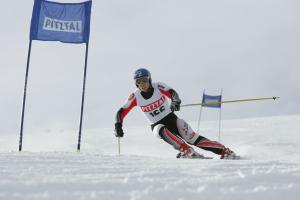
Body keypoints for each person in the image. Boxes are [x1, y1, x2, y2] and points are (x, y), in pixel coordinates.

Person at [114, 68, 237, 159]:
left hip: (172, 119)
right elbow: (121, 111)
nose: (142, 84)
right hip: (156, 125)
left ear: (149, 79)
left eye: (144, 80)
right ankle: (187, 151)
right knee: (159, 128)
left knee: (191, 138)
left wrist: (175, 101)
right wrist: (118, 125)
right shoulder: (135, 96)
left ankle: (224, 151)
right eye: (139, 81)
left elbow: (172, 93)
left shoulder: (158, 86)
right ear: (136, 83)